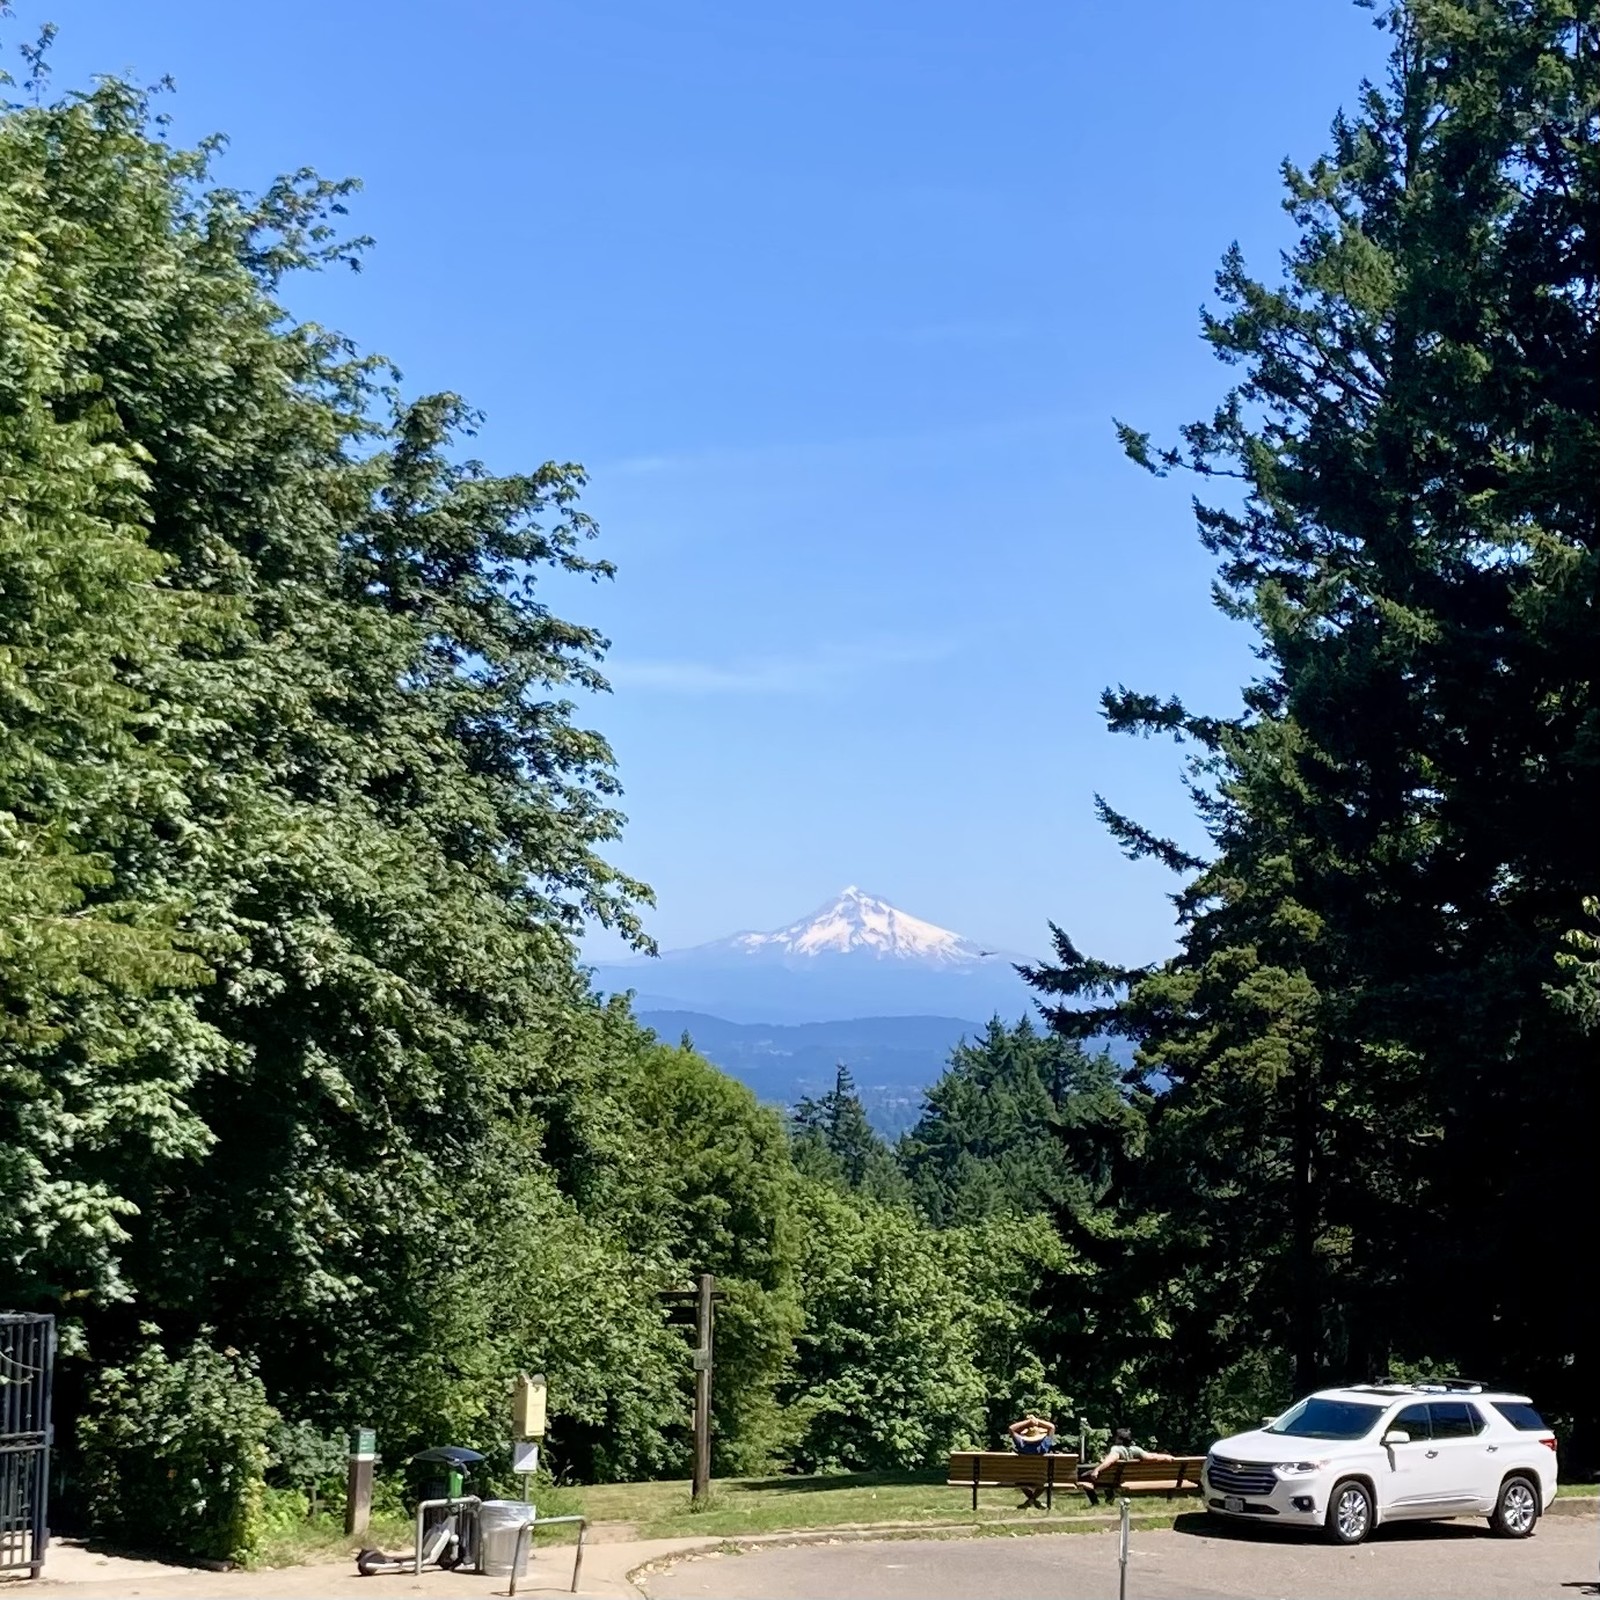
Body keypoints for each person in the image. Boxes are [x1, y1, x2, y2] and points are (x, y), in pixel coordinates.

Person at [1092, 1426, 1173, 1477]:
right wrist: (1166, 1457)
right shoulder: (1136, 1449)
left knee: (1084, 1476)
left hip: (1113, 1478)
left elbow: (1110, 1460)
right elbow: (1150, 1457)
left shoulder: (1116, 1449)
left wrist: (1097, 1470)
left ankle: (1096, 1501)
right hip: (1127, 1477)